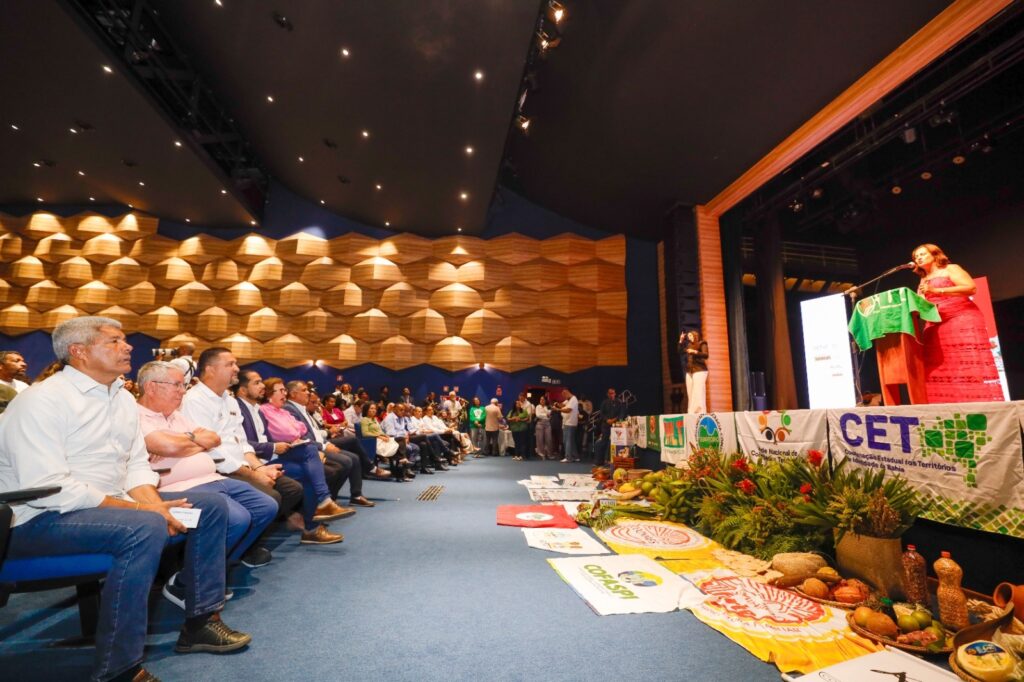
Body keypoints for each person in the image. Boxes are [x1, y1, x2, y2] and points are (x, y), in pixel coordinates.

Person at [0, 316, 250, 682]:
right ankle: (119, 669)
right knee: (144, 526)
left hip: (104, 511)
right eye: (114, 341)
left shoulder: (119, 399)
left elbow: (135, 466)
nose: (128, 345)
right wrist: (145, 511)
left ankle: (200, 622)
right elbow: (52, 488)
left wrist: (153, 504)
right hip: (36, 521)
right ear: (79, 351)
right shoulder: (42, 400)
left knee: (209, 507)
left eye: (124, 339)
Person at [136, 361, 278, 575]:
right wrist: (194, 441)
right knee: (238, 519)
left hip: (212, 478)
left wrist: (182, 441)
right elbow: (168, 446)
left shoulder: (176, 415)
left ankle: (215, 568)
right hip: (178, 486)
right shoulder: (135, 415)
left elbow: (213, 438)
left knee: (266, 506)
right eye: (177, 385)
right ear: (151, 387)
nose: (183, 391)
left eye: (183, 385)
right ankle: (190, 580)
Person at [180, 347, 294, 568]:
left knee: (288, 489)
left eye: (236, 363)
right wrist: (252, 475)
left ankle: (237, 551)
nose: (236, 369)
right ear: (210, 370)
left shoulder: (229, 400)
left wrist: (258, 468)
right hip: (216, 470)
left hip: (239, 466)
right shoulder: (195, 400)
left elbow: (241, 442)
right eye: (230, 364)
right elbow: (211, 452)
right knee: (271, 497)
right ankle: (222, 559)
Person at [234, 370, 348, 544]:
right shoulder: (239, 408)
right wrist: (274, 446)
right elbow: (243, 444)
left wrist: (277, 445)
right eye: (256, 383)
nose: (262, 386)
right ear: (242, 390)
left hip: (268, 456)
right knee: (310, 454)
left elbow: (297, 430)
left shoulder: (256, 409)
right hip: (257, 461)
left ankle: (317, 518)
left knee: (310, 460)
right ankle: (319, 512)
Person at [913, 243, 1004, 403]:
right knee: (942, 368)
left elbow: (970, 288)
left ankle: (977, 405)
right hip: (936, 324)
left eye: (922, 254)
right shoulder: (922, 280)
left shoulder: (951, 269)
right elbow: (923, 304)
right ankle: (950, 407)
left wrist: (937, 291)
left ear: (934, 254)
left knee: (966, 365)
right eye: (916, 257)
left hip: (960, 318)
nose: (918, 258)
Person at [264, 378, 375, 507]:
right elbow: (292, 434)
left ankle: (334, 499)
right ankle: (324, 501)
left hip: (310, 445)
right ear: (294, 394)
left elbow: (303, 430)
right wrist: (322, 446)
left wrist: (324, 441)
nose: (308, 393)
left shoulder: (289, 410)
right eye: (304, 390)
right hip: (297, 450)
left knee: (352, 456)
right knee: (342, 463)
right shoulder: (286, 408)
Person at [360, 402, 410, 480]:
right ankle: (401, 467)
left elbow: (380, 431)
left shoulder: (375, 419)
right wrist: (379, 436)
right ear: (366, 410)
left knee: (401, 439)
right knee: (401, 444)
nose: (374, 410)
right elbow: (365, 433)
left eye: (375, 408)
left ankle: (401, 463)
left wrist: (385, 435)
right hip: (374, 442)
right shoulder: (364, 420)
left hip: (381, 439)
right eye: (371, 408)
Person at [679, 329, 709, 414]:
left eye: (690, 335)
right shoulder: (689, 345)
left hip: (700, 370)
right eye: (688, 336)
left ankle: (701, 412)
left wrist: (695, 352)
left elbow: (705, 355)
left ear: (695, 335)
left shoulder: (702, 343)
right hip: (690, 371)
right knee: (690, 392)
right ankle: (691, 412)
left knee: (698, 391)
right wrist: (681, 340)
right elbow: (680, 351)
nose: (689, 337)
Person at [595, 388, 627, 465]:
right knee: (603, 442)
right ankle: (600, 462)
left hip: (616, 426)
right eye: (610, 393)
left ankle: (612, 461)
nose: (611, 395)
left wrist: (615, 419)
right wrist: (607, 420)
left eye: (612, 393)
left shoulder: (619, 402)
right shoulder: (604, 403)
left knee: (615, 443)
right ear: (607, 394)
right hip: (606, 425)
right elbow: (601, 414)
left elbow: (621, 413)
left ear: (615, 394)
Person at [556, 388, 580, 463]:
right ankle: (575, 457)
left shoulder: (573, 399)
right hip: (567, 423)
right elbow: (562, 405)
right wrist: (557, 404)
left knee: (567, 441)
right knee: (571, 441)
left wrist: (558, 410)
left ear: (567, 392)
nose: (564, 397)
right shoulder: (568, 400)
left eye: (564, 395)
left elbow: (568, 410)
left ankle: (568, 457)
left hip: (570, 423)